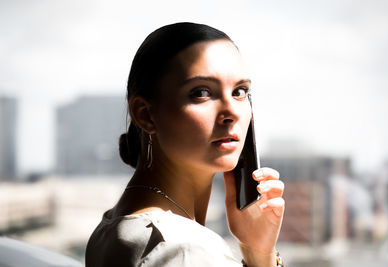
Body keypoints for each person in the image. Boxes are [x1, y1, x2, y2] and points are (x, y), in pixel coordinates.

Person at [85, 22, 285, 267]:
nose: (231, 111)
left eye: (240, 91)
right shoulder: (187, 251)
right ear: (146, 115)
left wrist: (258, 251)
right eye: (201, 92)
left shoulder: (113, 225)